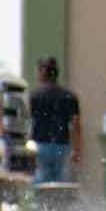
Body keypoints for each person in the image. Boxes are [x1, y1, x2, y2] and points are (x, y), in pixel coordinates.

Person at [30, 56, 81, 184]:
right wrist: (76, 149)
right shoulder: (69, 96)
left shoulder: (34, 96)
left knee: (40, 183)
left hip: (40, 145)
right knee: (61, 183)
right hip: (62, 145)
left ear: (42, 71)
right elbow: (75, 123)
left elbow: (28, 122)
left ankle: (42, 204)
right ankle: (59, 204)